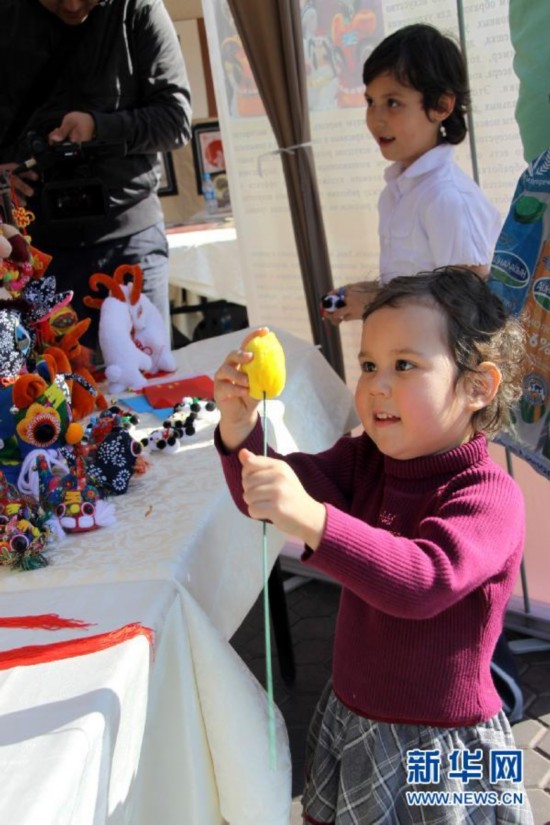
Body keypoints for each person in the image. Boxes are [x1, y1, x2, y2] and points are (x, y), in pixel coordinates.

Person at [214, 267, 533, 824]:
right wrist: (241, 432)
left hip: (443, 751)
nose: (377, 384)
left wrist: (314, 518)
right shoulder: (365, 460)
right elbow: (269, 497)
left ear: (477, 386)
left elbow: (423, 580)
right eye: (368, 366)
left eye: (404, 365)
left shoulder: (489, 497)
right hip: (354, 719)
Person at [0, 0, 192, 352]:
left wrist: (99, 128)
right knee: (52, 397)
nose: (73, 6)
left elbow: (176, 120)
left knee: (146, 381)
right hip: (36, 251)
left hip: (129, 241)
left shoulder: (138, 9)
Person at [322, 24, 501, 324]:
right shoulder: (395, 194)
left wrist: (377, 300)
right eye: (370, 102)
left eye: (393, 103)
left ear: (441, 106)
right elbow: (418, 282)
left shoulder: (447, 198)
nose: (376, 118)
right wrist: (364, 293)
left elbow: (472, 301)